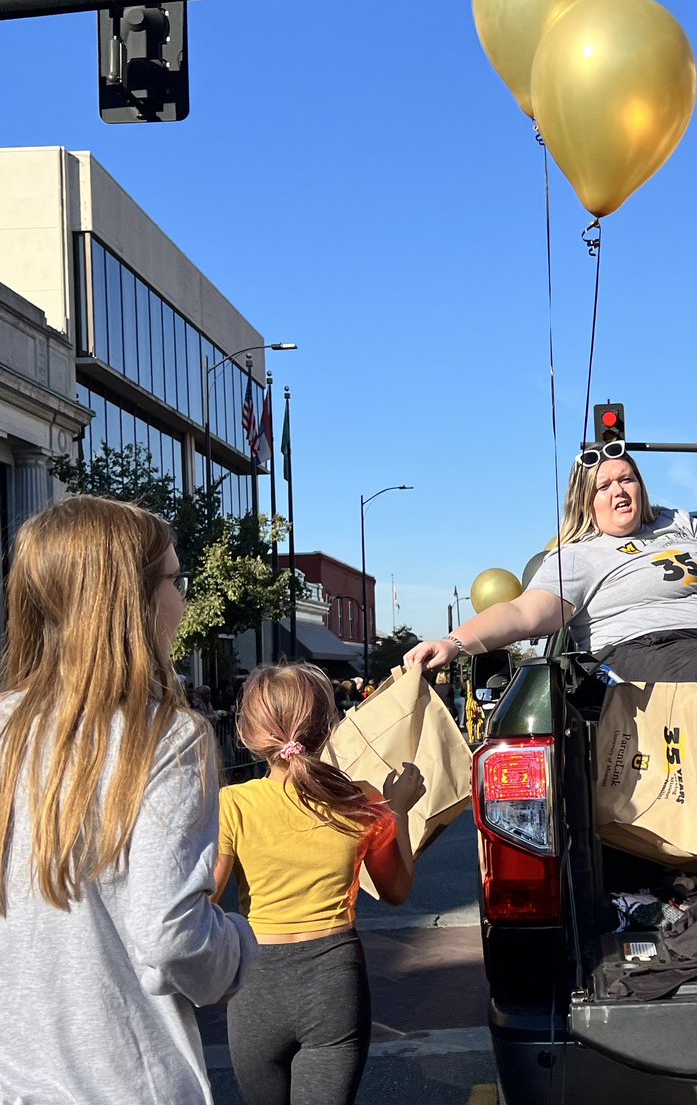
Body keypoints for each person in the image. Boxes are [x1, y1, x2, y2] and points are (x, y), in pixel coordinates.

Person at [0, 496, 257, 1105]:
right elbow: (171, 933)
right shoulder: (167, 736)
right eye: (174, 580)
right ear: (128, 600)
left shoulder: (7, 728)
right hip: (131, 1083)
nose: (184, 602)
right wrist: (238, 949)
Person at [212, 662, 425, 1105]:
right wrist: (399, 810)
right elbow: (396, 890)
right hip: (334, 983)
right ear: (328, 728)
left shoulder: (232, 804)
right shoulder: (362, 800)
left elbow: (204, 903)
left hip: (255, 984)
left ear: (249, 734)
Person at [405, 442, 697, 683]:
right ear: (585, 501)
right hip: (646, 650)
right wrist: (452, 643)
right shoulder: (579, 556)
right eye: (604, 486)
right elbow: (522, 613)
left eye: (626, 479)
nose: (619, 491)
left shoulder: (677, 522)